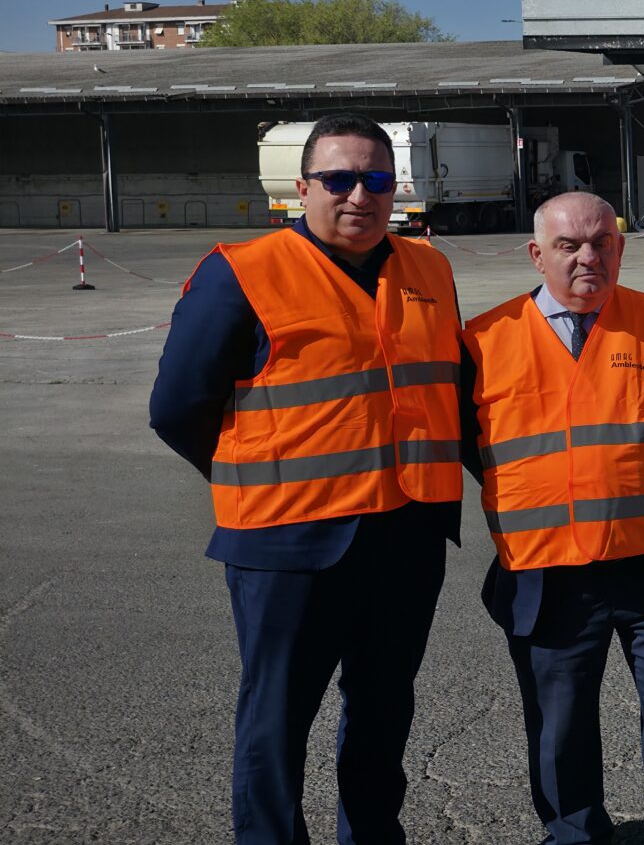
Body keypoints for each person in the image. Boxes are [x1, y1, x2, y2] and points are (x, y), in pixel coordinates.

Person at [149, 112, 464, 844]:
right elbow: (177, 408)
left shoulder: (429, 269)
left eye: (376, 179)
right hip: (287, 541)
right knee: (277, 720)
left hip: (405, 532)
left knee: (383, 712)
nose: (360, 195)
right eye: (339, 179)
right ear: (301, 187)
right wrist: (258, 472)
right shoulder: (242, 271)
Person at [458, 193, 644, 845]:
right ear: (536, 254)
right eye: (568, 246)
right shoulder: (483, 339)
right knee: (559, 727)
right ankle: (575, 836)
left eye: (602, 242)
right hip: (546, 569)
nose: (588, 257)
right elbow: (471, 445)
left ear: (620, 248)